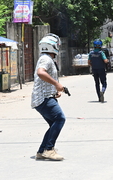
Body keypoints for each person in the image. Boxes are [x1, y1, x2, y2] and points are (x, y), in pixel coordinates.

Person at [31, 33, 66, 161]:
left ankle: (41, 151)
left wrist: (55, 90)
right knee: (60, 118)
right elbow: (41, 73)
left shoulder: (46, 58)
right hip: (44, 98)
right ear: (52, 46)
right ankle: (49, 150)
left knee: (53, 123)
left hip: (45, 97)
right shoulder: (46, 58)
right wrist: (56, 84)